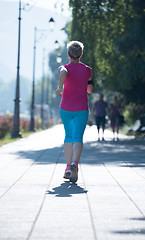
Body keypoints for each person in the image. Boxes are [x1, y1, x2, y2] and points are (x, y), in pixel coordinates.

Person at [56, 41, 93, 183]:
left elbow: (64, 72)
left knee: (68, 136)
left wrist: (60, 88)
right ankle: (75, 165)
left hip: (65, 108)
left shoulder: (64, 67)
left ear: (68, 54)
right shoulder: (87, 70)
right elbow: (89, 90)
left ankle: (67, 167)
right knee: (78, 137)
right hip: (81, 109)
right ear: (81, 54)